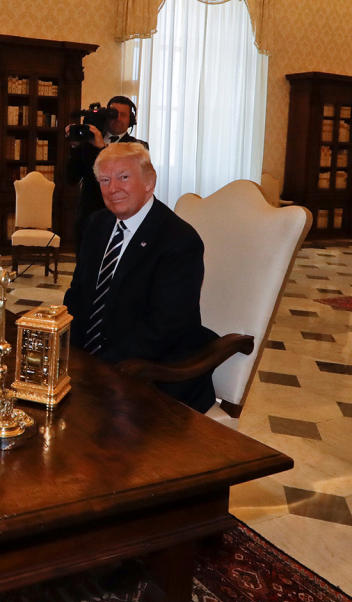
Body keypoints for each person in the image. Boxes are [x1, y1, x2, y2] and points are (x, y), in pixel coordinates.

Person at [62, 143, 217, 413]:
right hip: (93, 368)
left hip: (153, 374)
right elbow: (78, 295)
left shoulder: (179, 240)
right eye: (105, 180)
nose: (113, 189)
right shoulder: (97, 224)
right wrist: (67, 354)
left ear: (149, 182)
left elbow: (165, 327)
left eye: (123, 177)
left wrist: (95, 368)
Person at [66, 96, 148, 250]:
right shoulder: (88, 142)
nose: (117, 118)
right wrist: (75, 147)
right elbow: (71, 178)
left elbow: (123, 178)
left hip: (120, 221)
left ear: (131, 121)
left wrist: (101, 148)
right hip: (88, 217)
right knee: (85, 269)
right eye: (113, 113)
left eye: (123, 115)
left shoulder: (138, 147)